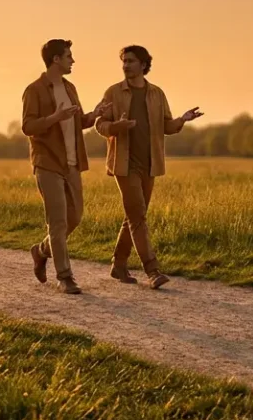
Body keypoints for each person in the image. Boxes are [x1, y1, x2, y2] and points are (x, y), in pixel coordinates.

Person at [95, 45, 203, 289]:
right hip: (124, 164)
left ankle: (118, 265)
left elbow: (166, 126)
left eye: (130, 61)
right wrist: (117, 127)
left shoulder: (156, 94)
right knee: (138, 217)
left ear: (143, 65)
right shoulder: (113, 92)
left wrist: (182, 120)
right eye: (124, 61)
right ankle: (152, 270)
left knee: (134, 216)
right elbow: (99, 124)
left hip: (150, 164)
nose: (125, 65)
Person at [22, 39, 110, 294]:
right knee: (58, 223)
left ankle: (41, 251)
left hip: (72, 163)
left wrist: (94, 114)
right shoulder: (34, 90)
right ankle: (65, 277)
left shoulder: (70, 88)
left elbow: (78, 121)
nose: (73, 60)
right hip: (48, 162)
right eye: (69, 56)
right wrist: (54, 117)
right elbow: (28, 126)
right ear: (56, 59)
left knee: (75, 217)